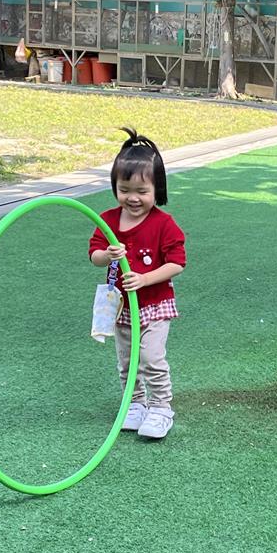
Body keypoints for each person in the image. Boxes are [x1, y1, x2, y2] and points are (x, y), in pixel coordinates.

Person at [89, 128, 186, 439]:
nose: (132, 198)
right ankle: (135, 403)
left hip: (155, 305)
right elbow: (94, 256)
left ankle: (161, 407)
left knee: (151, 357)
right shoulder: (108, 220)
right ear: (115, 187)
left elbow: (177, 263)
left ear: (157, 189)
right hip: (121, 307)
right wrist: (107, 255)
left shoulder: (163, 224)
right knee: (127, 360)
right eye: (124, 189)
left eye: (142, 191)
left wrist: (145, 279)